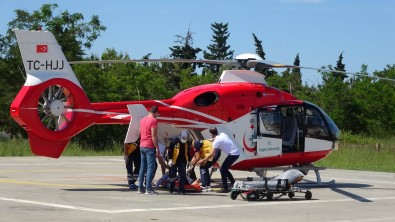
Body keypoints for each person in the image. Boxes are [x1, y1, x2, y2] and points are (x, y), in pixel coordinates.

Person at [198, 127, 240, 193]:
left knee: (222, 169)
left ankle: (225, 188)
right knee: (224, 169)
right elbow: (218, 140)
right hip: (236, 152)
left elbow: (212, 154)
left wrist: (203, 160)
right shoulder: (223, 134)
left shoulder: (216, 141)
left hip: (233, 154)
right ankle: (233, 183)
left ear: (211, 134)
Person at [138, 106, 159, 195]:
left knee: (142, 167)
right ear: (155, 113)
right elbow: (153, 135)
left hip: (142, 145)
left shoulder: (143, 120)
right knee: (151, 167)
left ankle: (140, 188)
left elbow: (139, 132)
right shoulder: (153, 120)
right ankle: (148, 188)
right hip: (149, 146)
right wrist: (157, 147)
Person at [167, 130, 191, 195]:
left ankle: (181, 189)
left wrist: (189, 161)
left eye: (187, 138)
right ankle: (171, 187)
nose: (185, 140)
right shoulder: (174, 141)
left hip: (182, 160)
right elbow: (170, 150)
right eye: (184, 138)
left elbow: (188, 151)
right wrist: (170, 159)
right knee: (172, 175)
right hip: (174, 160)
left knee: (183, 175)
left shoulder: (188, 142)